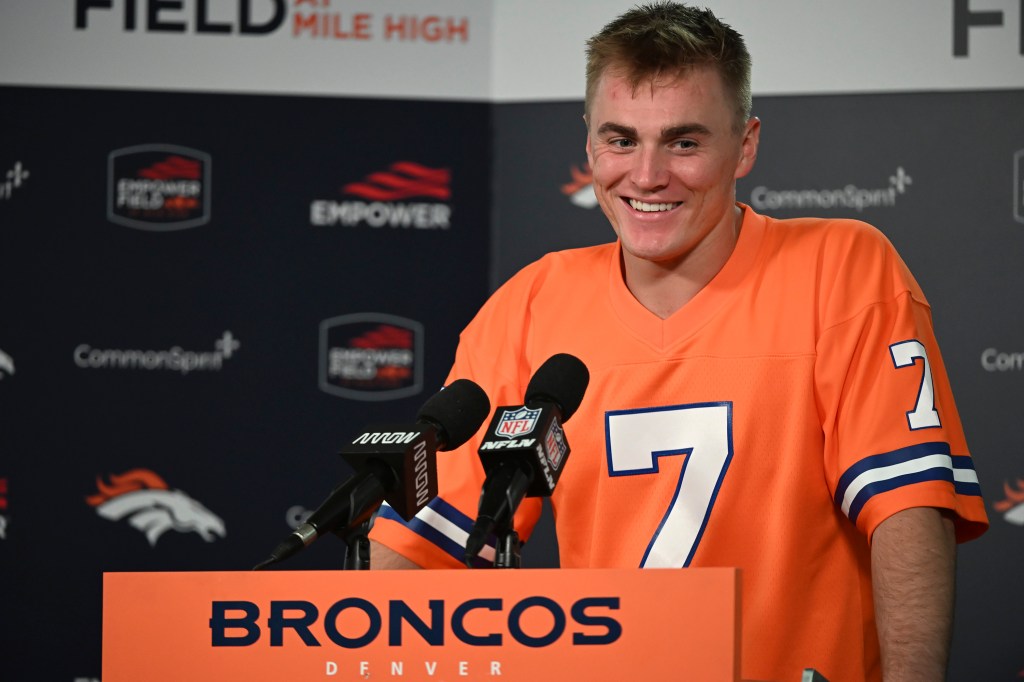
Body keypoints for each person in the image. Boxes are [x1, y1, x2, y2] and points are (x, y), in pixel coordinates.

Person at [368, 3, 989, 680]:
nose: (647, 174)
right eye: (621, 140)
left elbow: (907, 509)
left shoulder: (843, 267)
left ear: (745, 145)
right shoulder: (532, 302)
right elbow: (424, 549)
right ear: (589, 146)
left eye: (684, 142)